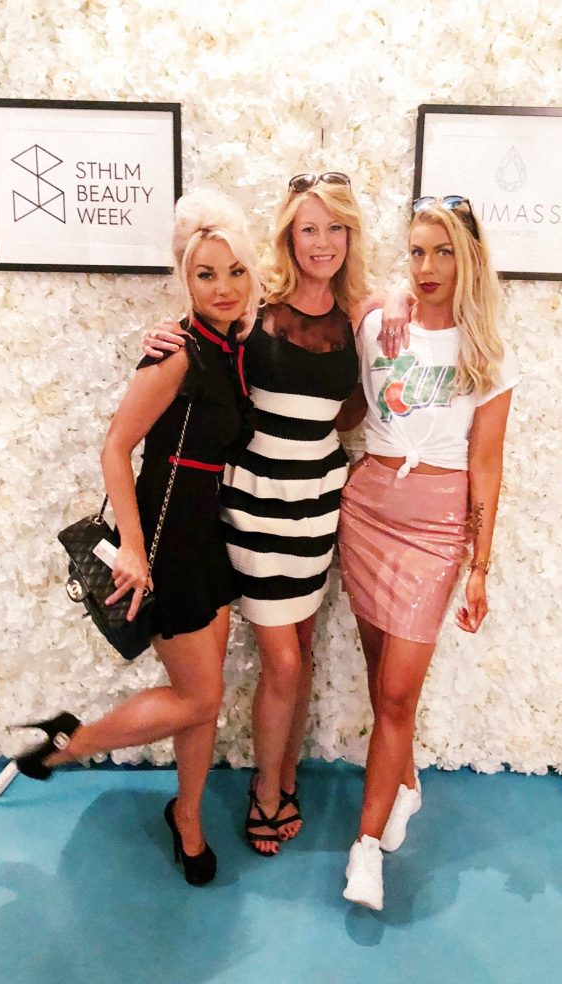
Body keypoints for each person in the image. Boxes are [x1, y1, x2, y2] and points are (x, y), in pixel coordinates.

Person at [145, 173, 412, 856]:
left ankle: (285, 771)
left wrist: (393, 302)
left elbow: (349, 409)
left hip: (318, 502)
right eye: (308, 228)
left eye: (334, 228)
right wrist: (162, 335)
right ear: (289, 236)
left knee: (303, 647)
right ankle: (267, 791)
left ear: (350, 236)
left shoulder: (361, 317)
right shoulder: (256, 304)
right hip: (258, 499)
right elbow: (203, 324)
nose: (322, 242)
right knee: (284, 662)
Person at [14, 189, 260, 887]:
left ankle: (188, 815)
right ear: (185, 277)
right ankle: (68, 743)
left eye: (235, 272)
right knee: (200, 698)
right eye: (205, 274)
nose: (222, 287)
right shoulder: (178, 353)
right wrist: (130, 545)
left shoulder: (231, 347)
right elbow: (116, 447)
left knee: (201, 692)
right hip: (165, 542)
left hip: (206, 536)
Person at [337, 195, 519, 911]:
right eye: (416, 251)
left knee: (397, 693)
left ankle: (364, 848)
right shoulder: (379, 322)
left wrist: (480, 567)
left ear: (469, 258)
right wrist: (387, 299)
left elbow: (487, 464)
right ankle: (405, 783)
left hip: (436, 527)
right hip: (366, 511)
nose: (427, 266)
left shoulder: (488, 352)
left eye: (443, 252)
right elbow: (322, 305)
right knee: (380, 674)